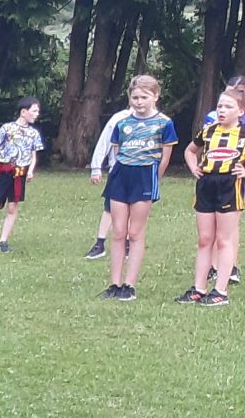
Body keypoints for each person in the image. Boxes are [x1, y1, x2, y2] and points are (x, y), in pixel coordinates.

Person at [89, 74, 180, 300]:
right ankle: (114, 284)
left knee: (135, 233)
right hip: (121, 176)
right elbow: (117, 151)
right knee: (118, 231)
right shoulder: (122, 123)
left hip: (145, 176)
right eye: (135, 97)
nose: (139, 102)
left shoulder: (164, 123)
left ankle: (129, 285)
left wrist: (154, 179)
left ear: (155, 96)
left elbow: (165, 157)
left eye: (144, 97)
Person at [182, 89, 244, 305]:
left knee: (224, 239)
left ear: (241, 111)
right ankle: (199, 288)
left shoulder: (243, 133)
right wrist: (193, 167)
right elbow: (190, 151)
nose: (222, 110)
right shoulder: (208, 131)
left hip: (230, 186)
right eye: (220, 106)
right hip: (206, 184)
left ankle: (220, 291)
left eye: (228, 107)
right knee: (205, 238)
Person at [0, 99, 45, 252]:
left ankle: (2, 241)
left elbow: (33, 156)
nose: (37, 114)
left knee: (12, 208)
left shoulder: (34, 134)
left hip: (20, 173)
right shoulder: (7, 128)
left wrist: (30, 171)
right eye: (34, 111)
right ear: (23, 112)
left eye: (38, 111)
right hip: (3, 171)